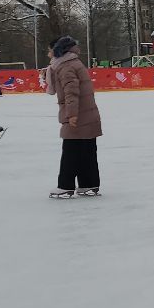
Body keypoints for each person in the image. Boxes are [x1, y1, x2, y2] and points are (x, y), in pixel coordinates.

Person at [48, 35, 103, 198]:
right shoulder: (74, 63)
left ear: (59, 50)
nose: (48, 53)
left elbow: (71, 92)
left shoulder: (65, 66)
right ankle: (89, 184)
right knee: (86, 150)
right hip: (87, 114)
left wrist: (71, 114)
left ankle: (65, 186)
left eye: (50, 50)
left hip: (78, 115)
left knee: (71, 151)